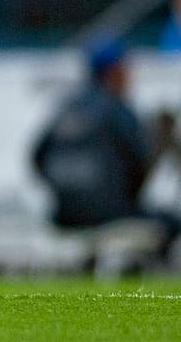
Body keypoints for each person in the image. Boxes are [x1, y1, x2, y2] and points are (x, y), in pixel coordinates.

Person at [32, 36, 181, 262]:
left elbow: (37, 158)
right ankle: (144, 277)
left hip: (63, 215)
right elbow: (139, 165)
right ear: (114, 71)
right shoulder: (117, 109)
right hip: (109, 215)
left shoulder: (66, 108)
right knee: (171, 222)